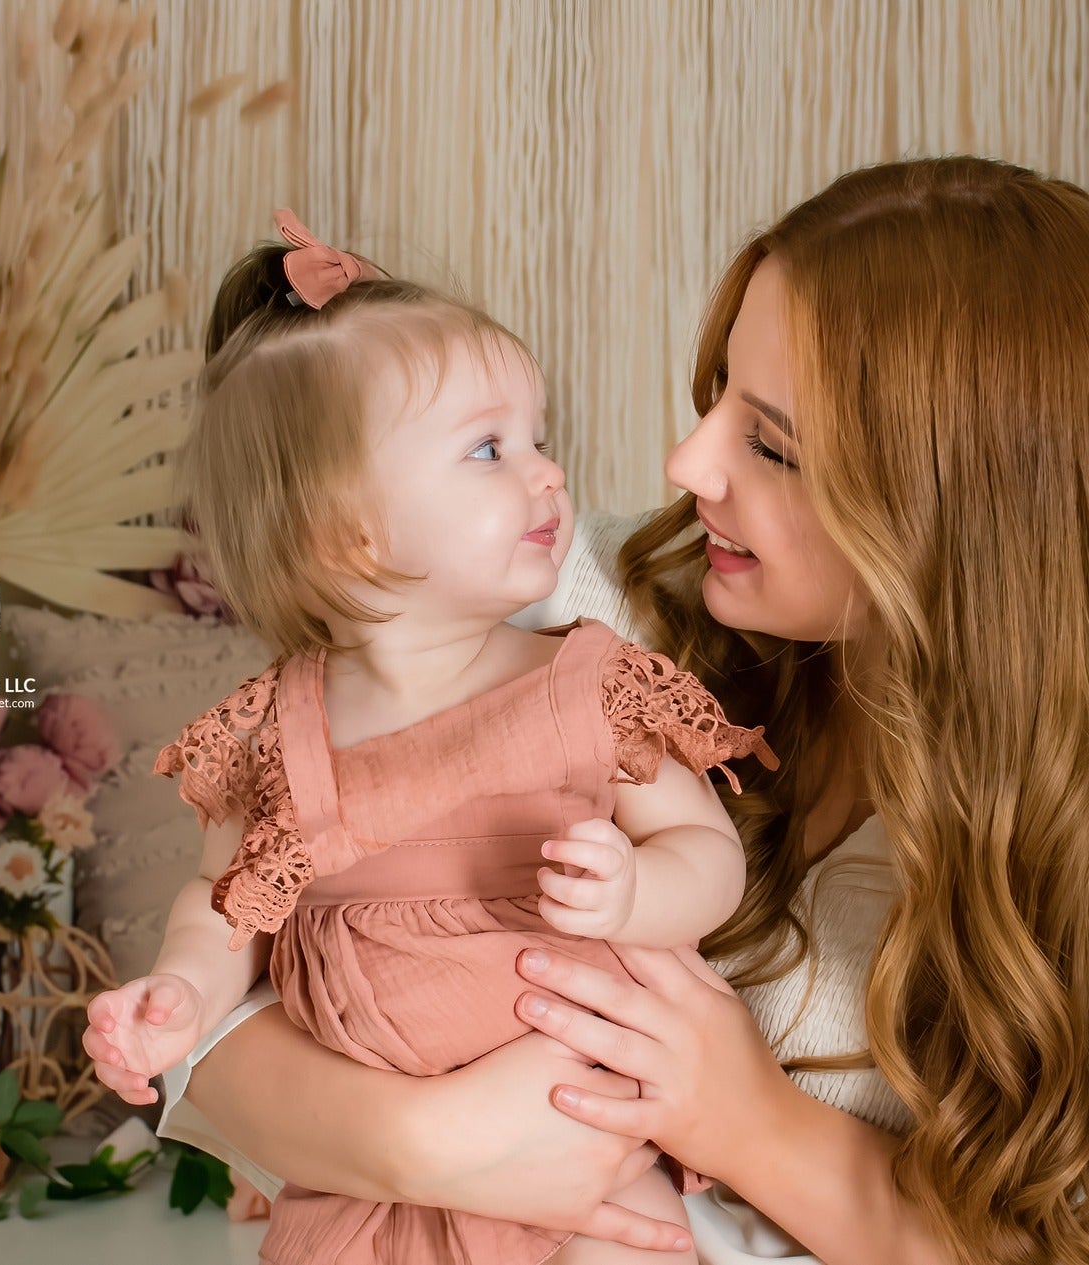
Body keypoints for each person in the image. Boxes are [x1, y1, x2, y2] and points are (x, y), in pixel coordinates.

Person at [155, 159, 1089, 1265]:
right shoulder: (566, 605)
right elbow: (231, 974)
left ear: (963, 516)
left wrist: (743, 1116)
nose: (685, 462)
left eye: (772, 444)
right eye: (716, 400)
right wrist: (417, 1141)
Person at [83, 209, 775, 1264]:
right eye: (489, 449)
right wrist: (177, 993)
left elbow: (708, 855)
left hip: (581, 1146)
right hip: (359, 1193)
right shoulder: (277, 728)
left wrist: (637, 891)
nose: (546, 472)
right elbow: (226, 907)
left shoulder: (585, 682)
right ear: (346, 527)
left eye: (539, 438)